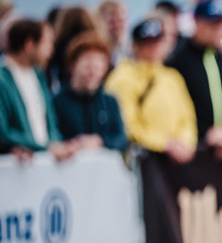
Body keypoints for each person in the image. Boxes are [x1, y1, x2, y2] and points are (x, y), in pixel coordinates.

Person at [105, 16, 198, 163]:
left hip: (175, 160)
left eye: (157, 42)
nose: (153, 48)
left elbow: (187, 118)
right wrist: (163, 144)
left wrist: (185, 142)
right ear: (135, 45)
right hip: (141, 160)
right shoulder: (122, 78)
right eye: (147, 43)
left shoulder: (172, 77)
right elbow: (126, 123)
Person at [167, 0, 222, 160]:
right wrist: (206, 134)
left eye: (221, 23)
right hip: (191, 155)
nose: (217, 29)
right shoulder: (177, 61)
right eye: (212, 24)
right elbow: (173, 109)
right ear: (196, 22)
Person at [0, 18, 78, 161]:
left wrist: (58, 145)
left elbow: (50, 122)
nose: (51, 50)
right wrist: (45, 147)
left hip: (46, 163)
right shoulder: (2, 79)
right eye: (47, 43)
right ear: (29, 44)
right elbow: (3, 133)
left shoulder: (39, 76)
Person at [52, 31, 128, 152]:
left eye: (98, 66)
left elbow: (122, 139)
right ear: (73, 65)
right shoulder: (57, 102)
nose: (93, 72)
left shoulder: (110, 102)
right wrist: (74, 144)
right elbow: (52, 137)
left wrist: (100, 141)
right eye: (87, 65)